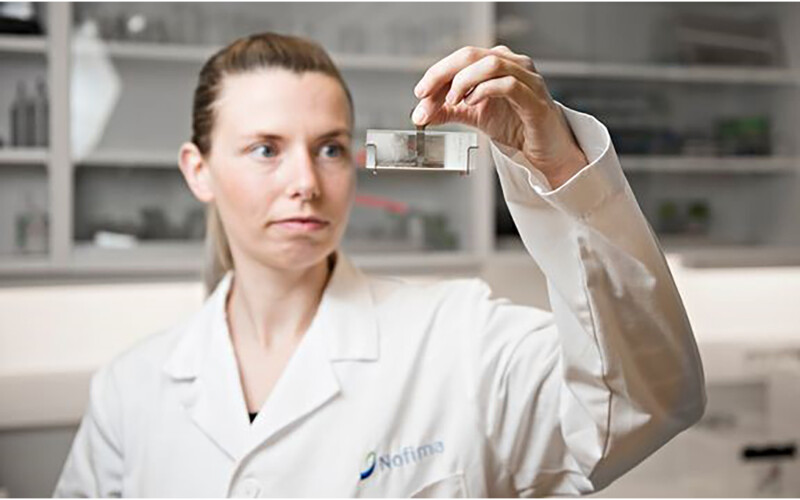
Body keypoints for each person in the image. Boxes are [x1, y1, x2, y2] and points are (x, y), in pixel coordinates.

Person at [54, 33, 705, 497]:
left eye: (331, 149)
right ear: (199, 172)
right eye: (264, 149)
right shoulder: (130, 391)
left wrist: (559, 164)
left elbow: (648, 401)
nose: (306, 182)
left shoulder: (460, 339)